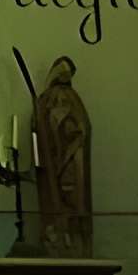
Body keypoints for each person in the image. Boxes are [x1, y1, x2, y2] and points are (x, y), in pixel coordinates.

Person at [33, 55, 93, 258]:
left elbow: (75, 127)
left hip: (70, 159)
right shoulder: (52, 98)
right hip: (57, 158)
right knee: (57, 198)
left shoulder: (64, 97)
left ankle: (73, 242)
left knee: (71, 197)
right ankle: (59, 240)